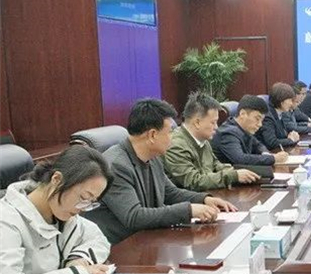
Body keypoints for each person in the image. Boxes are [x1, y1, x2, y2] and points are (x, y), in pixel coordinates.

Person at [85, 98, 236, 244]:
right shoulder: (116, 166)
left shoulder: (153, 157)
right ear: (152, 135)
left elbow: (170, 193)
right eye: (170, 132)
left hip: (146, 240)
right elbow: (134, 216)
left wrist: (204, 199)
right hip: (120, 248)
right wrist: (188, 210)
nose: (172, 137)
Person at [0, 146, 114, 274]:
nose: (82, 209)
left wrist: (78, 259)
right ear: (57, 179)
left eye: (91, 202)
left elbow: (98, 239)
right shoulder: (6, 221)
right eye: (84, 197)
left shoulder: (61, 213)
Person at [163, 92, 260, 191]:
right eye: (213, 122)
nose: (216, 127)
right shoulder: (176, 145)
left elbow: (215, 165)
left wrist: (238, 173)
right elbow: (194, 181)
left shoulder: (202, 139)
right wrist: (233, 176)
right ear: (197, 122)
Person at [212, 94, 289, 175]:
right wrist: (272, 158)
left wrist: (265, 153)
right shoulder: (228, 133)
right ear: (242, 114)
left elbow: (258, 145)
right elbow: (240, 159)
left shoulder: (243, 128)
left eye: (261, 120)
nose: (260, 124)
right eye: (257, 119)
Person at [257, 82, 301, 151]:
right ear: (281, 100)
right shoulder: (268, 117)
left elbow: (282, 135)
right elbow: (272, 142)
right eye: (290, 100)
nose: (291, 103)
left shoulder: (279, 113)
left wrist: (292, 135)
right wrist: (291, 140)